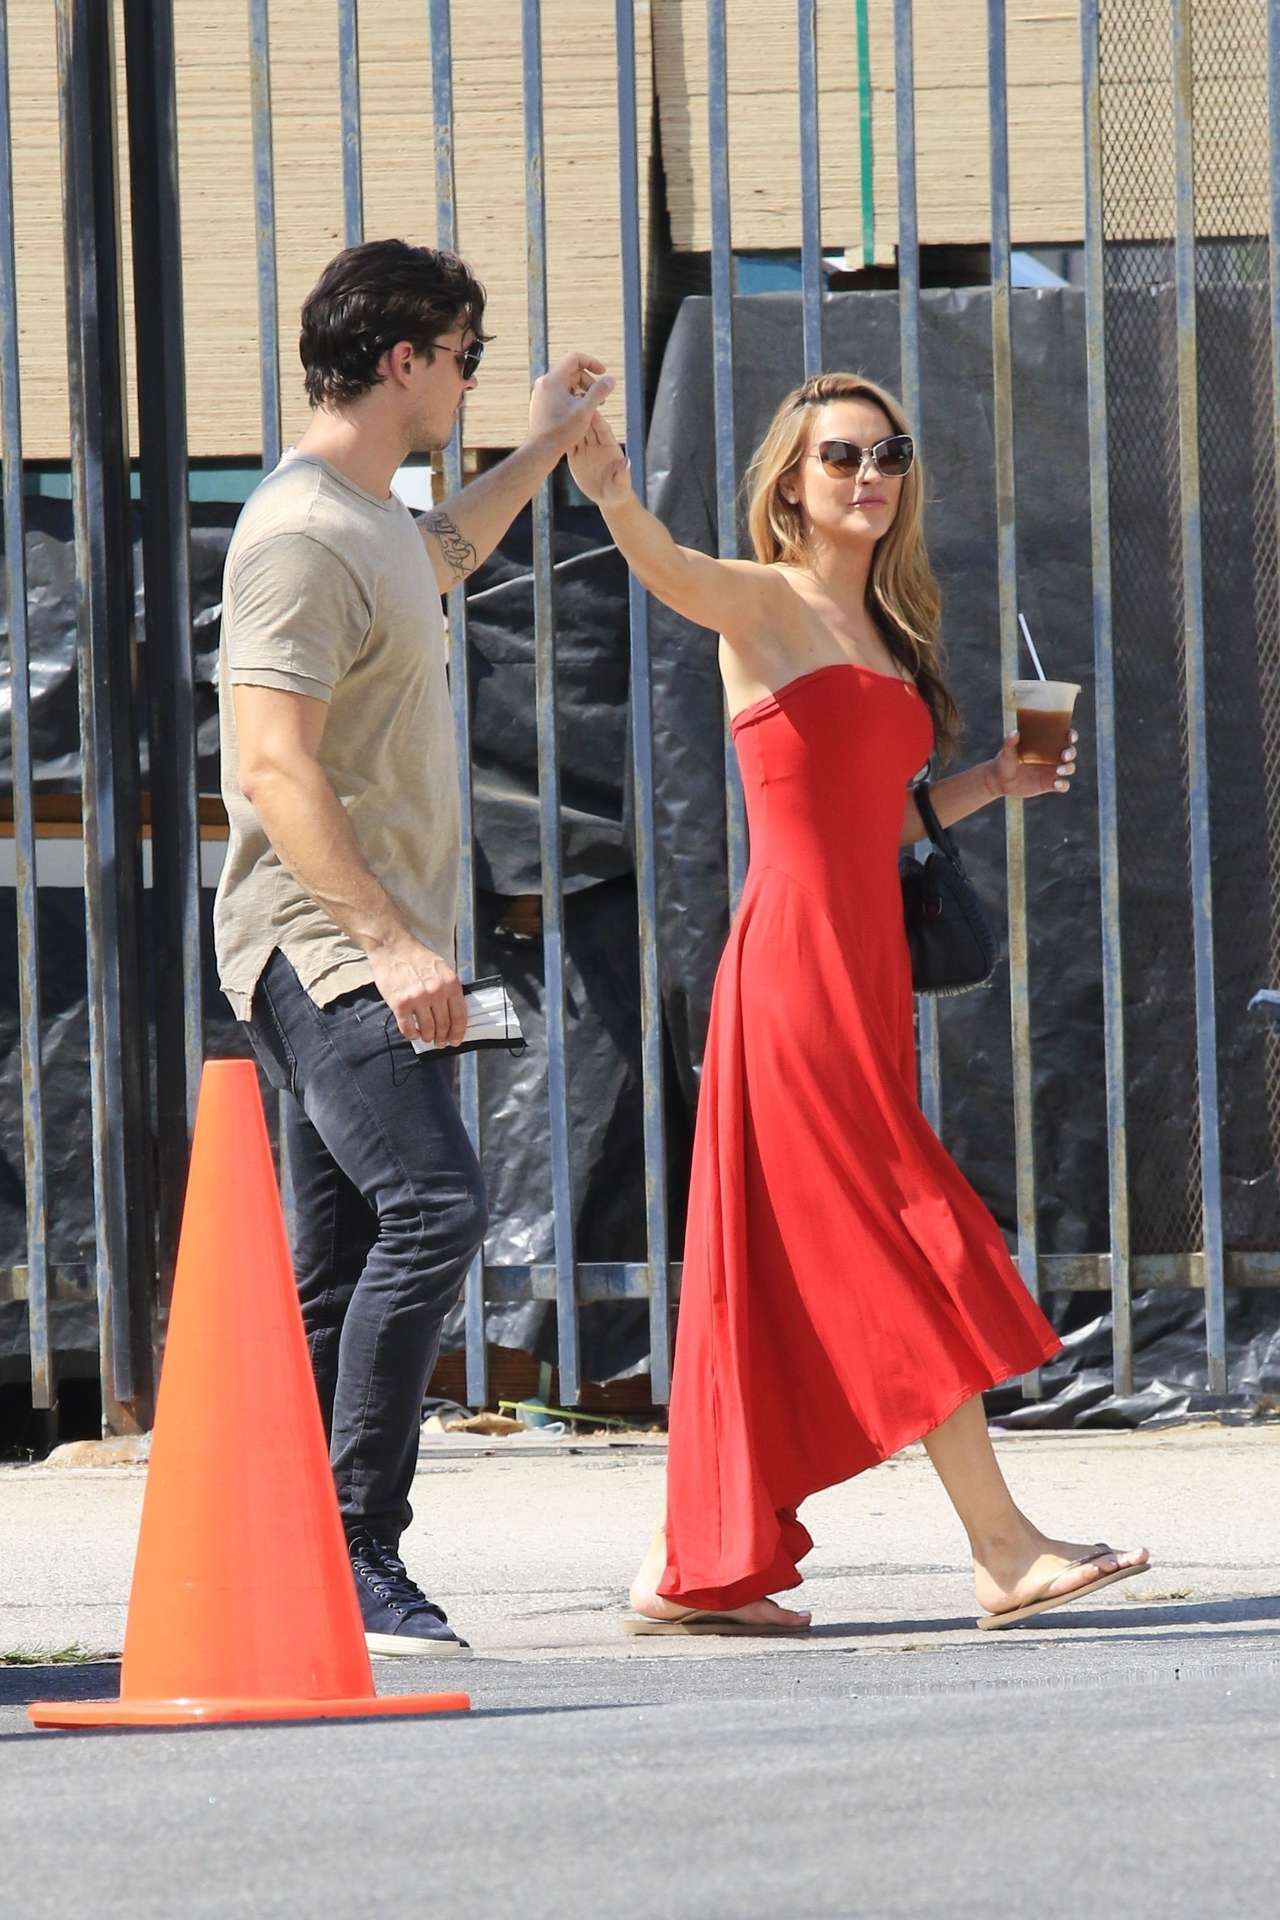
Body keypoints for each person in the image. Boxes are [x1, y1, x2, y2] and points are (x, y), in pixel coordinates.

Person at [568, 371, 1150, 1634]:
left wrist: (989, 780)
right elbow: (668, 571)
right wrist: (612, 492)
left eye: (889, 454)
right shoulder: (763, 600)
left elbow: (877, 821)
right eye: (839, 456)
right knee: (910, 1229)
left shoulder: (886, 631)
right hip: (791, 972)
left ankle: (693, 1567)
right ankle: (1000, 1548)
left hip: (863, 965)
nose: (868, 476)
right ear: (790, 480)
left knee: (797, 1265)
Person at [214, 238, 612, 1656]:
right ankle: (358, 1542)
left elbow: (444, 554)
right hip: (323, 942)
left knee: (337, 1265)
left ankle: (297, 1559)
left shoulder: (371, 519)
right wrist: (388, 943)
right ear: (404, 361)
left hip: (347, 941)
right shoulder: (299, 536)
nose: (467, 382)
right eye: (465, 359)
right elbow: (270, 763)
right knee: (434, 1209)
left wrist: (543, 445)